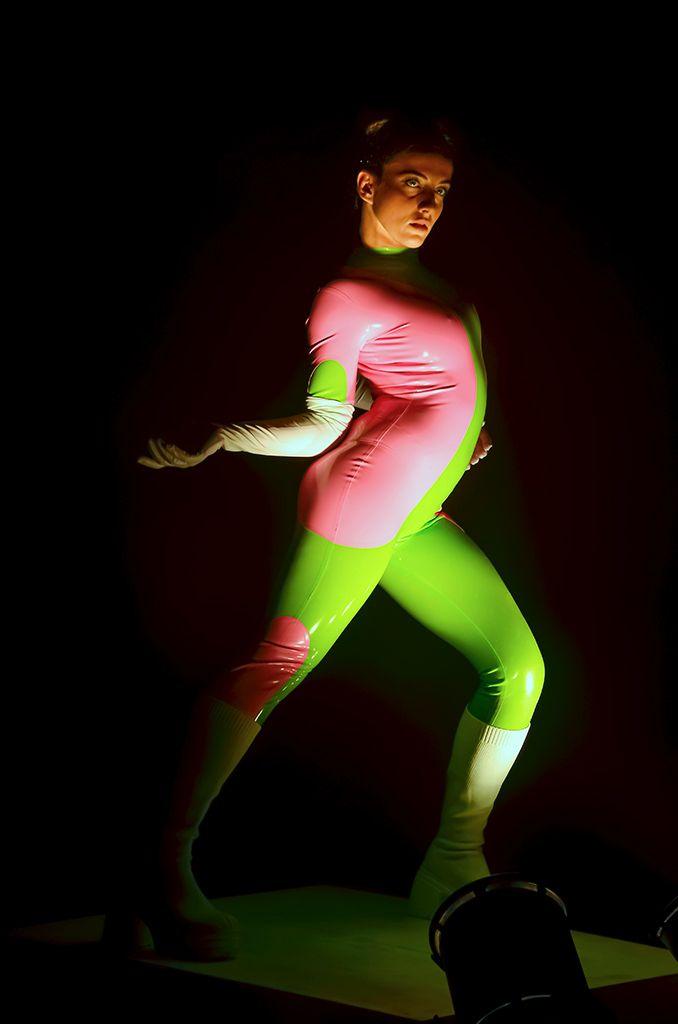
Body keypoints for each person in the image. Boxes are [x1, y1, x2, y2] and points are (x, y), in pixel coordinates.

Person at [107, 112, 545, 962]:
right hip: (363, 501)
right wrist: (223, 438)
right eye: (411, 182)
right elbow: (322, 420)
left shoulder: (433, 284)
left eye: (441, 189)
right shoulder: (346, 295)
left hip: (418, 515)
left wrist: (464, 428)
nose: (429, 203)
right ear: (366, 184)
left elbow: (419, 388)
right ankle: (159, 867)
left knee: (520, 671)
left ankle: (453, 861)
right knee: (273, 668)